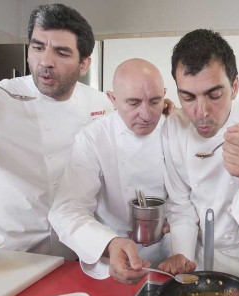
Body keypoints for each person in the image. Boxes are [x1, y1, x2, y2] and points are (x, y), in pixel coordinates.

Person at [0, 3, 113, 259]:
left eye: (62, 52)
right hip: (12, 254)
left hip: (77, 252)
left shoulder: (100, 103)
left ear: (84, 63)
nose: (45, 61)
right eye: (37, 47)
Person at [158, 29, 239, 281]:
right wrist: (183, 258)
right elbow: (181, 203)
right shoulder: (174, 126)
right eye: (188, 97)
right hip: (201, 251)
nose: (201, 111)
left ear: (234, 86)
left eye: (214, 95)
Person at [49, 58, 171, 283]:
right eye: (133, 103)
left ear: (164, 95)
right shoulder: (94, 137)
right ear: (113, 99)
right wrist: (109, 244)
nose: (146, 114)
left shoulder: (175, 130)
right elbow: (66, 209)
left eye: (155, 101)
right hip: (109, 261)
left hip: (167, 262)